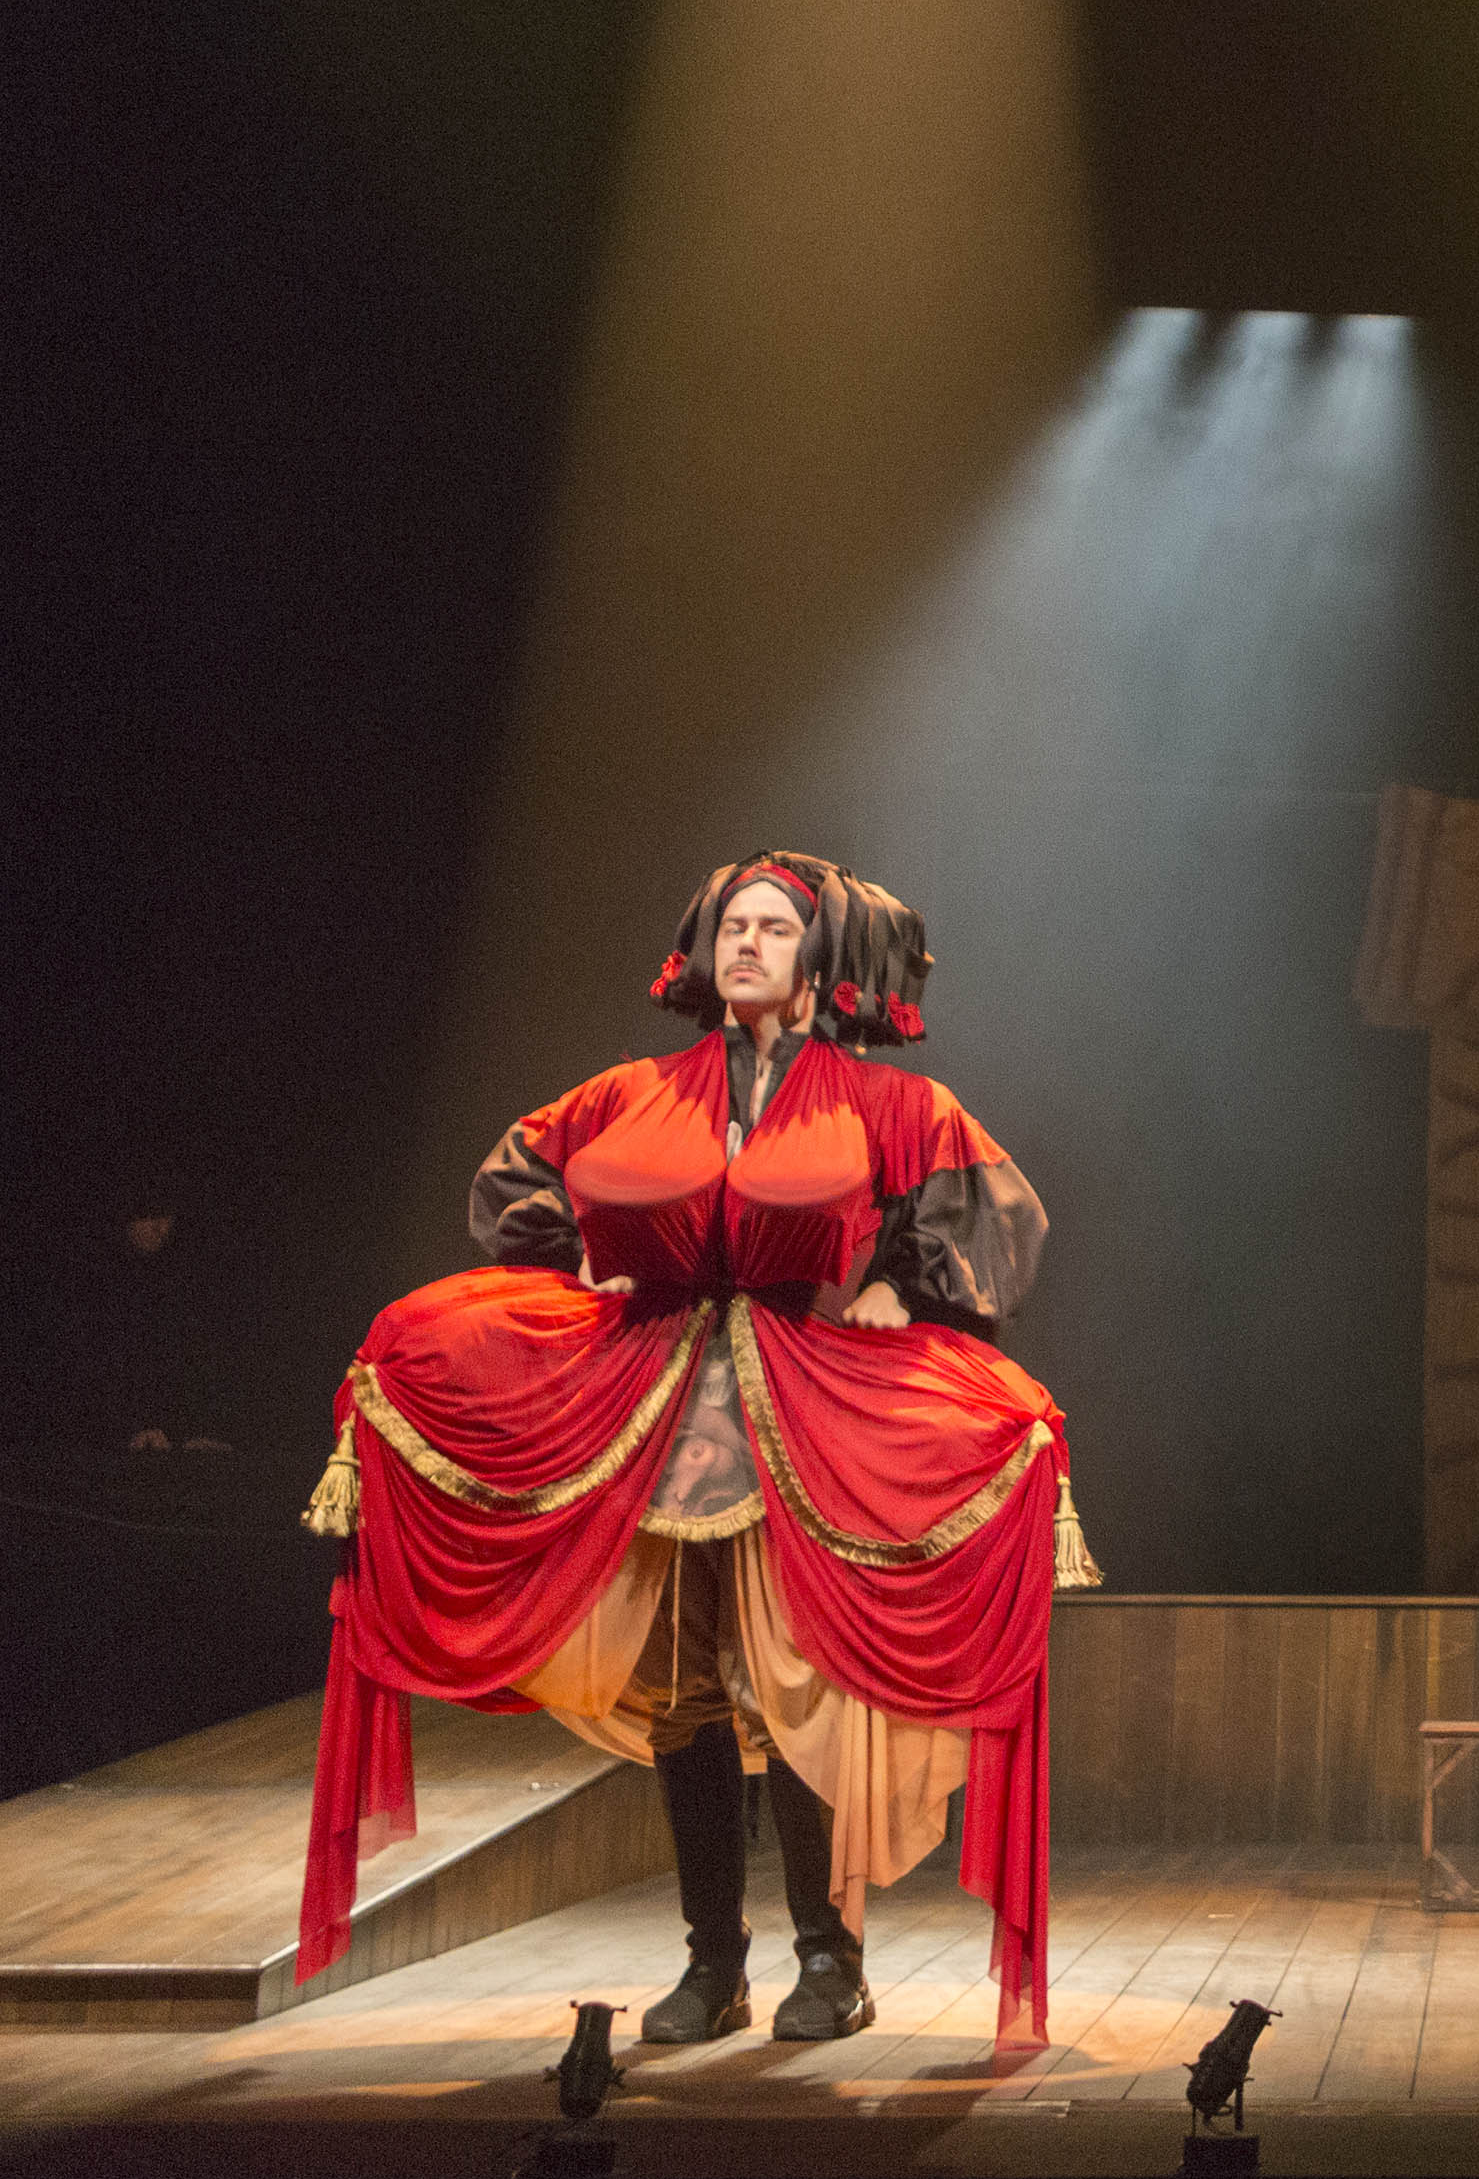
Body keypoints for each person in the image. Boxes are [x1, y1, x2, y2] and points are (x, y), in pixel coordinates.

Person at [300, 853, 1094, 2047]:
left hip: (798, 1409)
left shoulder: (879, 1102)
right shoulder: (638, 1091)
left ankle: (829, 1960)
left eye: (772, 927)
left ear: (818, 959)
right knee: (683, 1689)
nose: (746, 942)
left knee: (800, 1680)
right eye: (732, 925)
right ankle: (713, 1961)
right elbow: (517, 1175)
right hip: (662, 1404)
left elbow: (991, 1213)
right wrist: (579, 1251)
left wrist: (900, 1282)